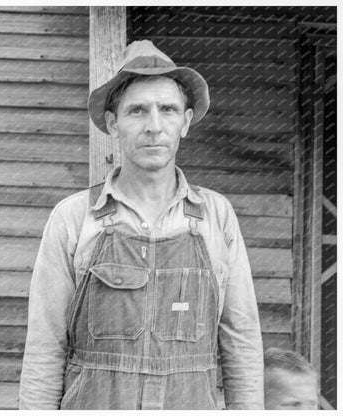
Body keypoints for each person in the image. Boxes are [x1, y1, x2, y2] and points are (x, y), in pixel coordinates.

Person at [19, 39, 264, 410]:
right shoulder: (73, 218)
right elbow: (45, 347)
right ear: (113, 123)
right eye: (137, 110)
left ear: (185, 122)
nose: (154, 126)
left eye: (167, 109)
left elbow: (241, 341)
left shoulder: (216, 216)